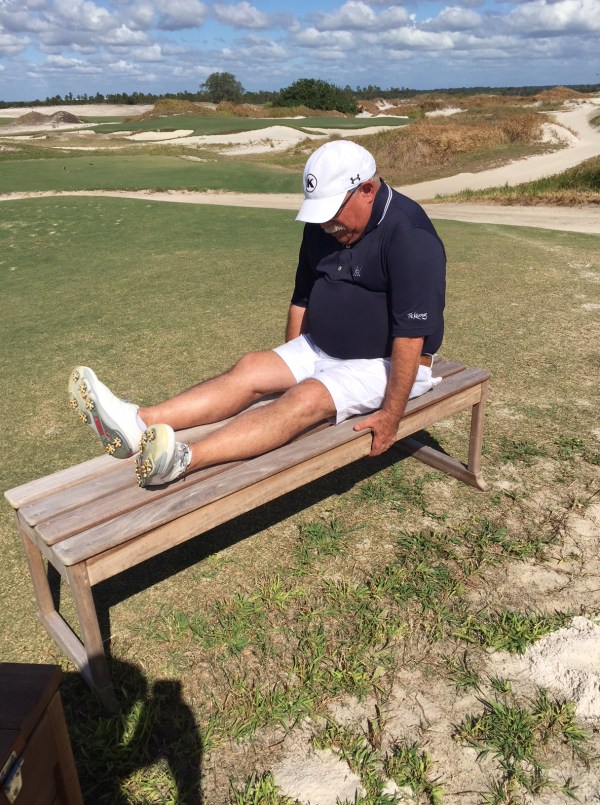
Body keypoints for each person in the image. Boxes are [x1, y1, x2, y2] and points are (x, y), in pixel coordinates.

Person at [68, 140, 446, 488]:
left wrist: (391, 416)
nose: (326, 225)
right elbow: (302, 300)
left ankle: (181, 460)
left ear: (366, 190)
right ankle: (137, 422)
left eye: (333, 212)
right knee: (250, 368)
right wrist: (292, 361)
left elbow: (410, 336)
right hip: (321, 346)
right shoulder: (323, 227)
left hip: (386, 363)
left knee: (306, 399)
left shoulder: (410, 236)